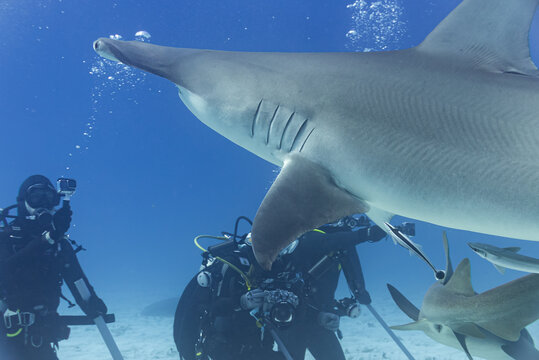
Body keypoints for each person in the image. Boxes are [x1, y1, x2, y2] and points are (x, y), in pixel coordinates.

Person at [0, 175, 107, 360]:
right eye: (36, 197)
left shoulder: (58, 244)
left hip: (40, 335)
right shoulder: (6, 239)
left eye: (49, 198)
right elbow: (5, 271)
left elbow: (76, 278)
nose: (43, 203)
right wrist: (47, 239)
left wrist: (91, 303)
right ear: (22, 201)